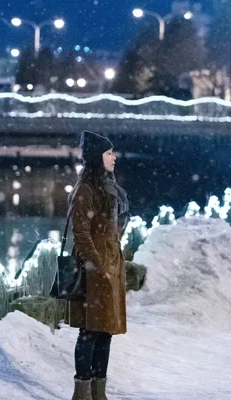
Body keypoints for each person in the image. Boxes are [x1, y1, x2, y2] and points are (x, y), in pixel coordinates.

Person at [68, 131, 129, 400]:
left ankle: (98, 392)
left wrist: (112, 261)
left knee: (106, 331)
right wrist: (98, 264)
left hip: (111, 262)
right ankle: (82, 392)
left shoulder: (108, 187)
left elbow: (113, 224)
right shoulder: (86, 190)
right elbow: (81, 234)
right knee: (90, 330)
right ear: (96, 157)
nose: (113, 157)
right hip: (95, 266)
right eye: (108, 153)